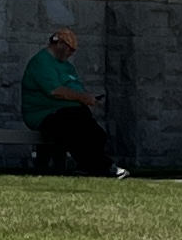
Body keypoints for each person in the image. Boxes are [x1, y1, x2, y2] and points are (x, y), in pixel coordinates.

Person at [21, 26, 119, 176]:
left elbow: (75, 88)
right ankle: (104, 167)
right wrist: (82, 98)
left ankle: (89, 166)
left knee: (97, 134)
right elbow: (55, 91)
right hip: (46, 114)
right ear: (59, 44)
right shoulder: (41, 62)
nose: (71, 53)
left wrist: (86, 98)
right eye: (70, 49)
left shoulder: (67, 66)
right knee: (75, 131)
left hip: (71, 111)